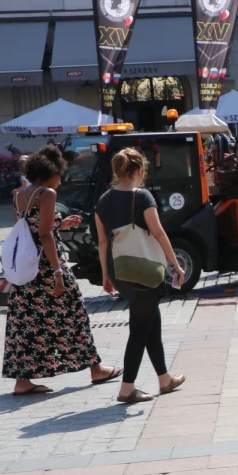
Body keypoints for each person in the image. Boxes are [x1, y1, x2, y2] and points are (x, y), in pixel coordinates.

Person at [2, 145, 121, 395]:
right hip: (48, 267)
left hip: (28, 269)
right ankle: (96, 369)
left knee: (26, 322)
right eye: (60, 175)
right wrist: (58, 273)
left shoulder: (19, 194)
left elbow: (29, 230)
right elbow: (44, 235)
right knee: (75, 314)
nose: (61, 180)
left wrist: (59, 223)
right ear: (50, 173)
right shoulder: (47, 194)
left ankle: (22, 380)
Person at [94, 149, 187, 403]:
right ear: (138, 170)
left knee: (150, 321)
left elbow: (102, 242)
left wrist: (106, 275)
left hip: (119, 268)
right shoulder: (143, 197)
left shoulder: (102, 201)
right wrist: (175, 263)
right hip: (142, 269)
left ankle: (164, 378)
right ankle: (127, 388)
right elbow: (158, 232)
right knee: (139, 328)